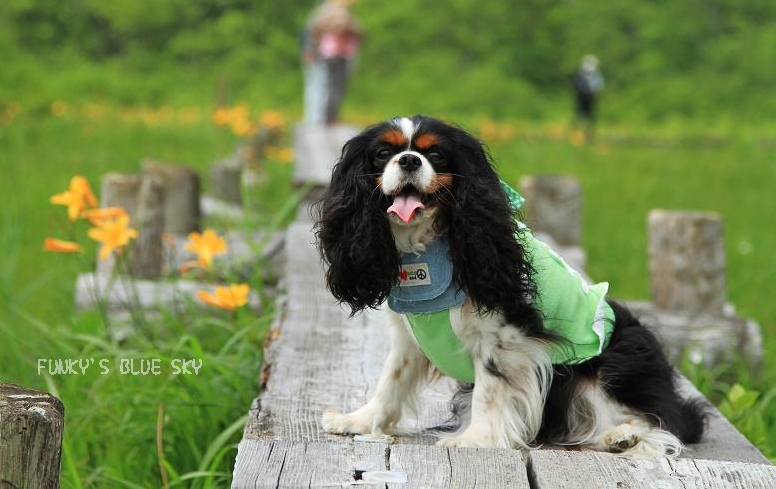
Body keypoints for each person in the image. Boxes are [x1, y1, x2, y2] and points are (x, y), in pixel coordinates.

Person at [302, 0, 362, 125]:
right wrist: (310, 50)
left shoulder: (344, 17)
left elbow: (358, 36)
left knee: (331, 88)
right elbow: (311, 32)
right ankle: (318, 118)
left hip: (335, 56)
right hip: (326, 56)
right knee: (323, 86)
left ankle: (326, 117)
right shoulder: (326, 15)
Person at [572, 55, 604, 141]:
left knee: (590, 116)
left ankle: (589, 133)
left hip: (591, 98)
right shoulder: (580, 75)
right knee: (579, 114)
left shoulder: (595, 75)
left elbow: (598, 86)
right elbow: (576, 86)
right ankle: (576, 132)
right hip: (582, 97)